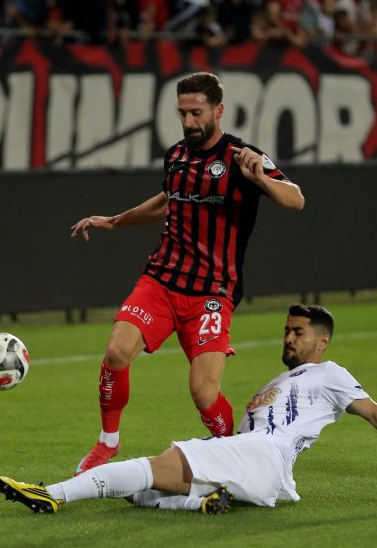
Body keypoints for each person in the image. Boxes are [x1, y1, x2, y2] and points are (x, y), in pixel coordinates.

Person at [68, 72, 305, 477]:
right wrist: (115, 220)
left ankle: (233, 456)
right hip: (161, 279)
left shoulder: (243, 157)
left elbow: (296, 199)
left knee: (203, 392)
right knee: (117, 351)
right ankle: (107, 442)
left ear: (218, 110)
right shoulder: (176, 154)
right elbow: (168, 199)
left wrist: (261, 180)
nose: (188, 121)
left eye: (196, 113)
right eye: (182, 113)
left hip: (212, 291)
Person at [0, 305, 377, 515]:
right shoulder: (280, 382)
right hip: (259, 461)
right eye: (287, 330)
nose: (289, 338)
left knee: (151, 468)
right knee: (142, 493)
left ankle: (52, 494)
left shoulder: (330, 373)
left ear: (322, 342)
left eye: (299, 332)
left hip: (263, 453)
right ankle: (207, 501)